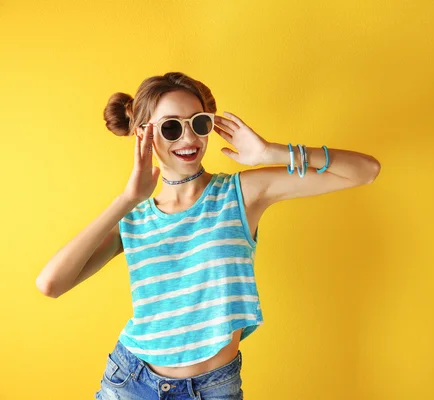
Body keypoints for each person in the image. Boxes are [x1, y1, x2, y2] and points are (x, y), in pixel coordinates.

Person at [36, 71, 381, 399]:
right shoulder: (133, 217)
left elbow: (366, 171)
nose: (189, 139)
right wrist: (127, 199)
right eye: (171, 127)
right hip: (131, 382)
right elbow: (50, 284)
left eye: (199, 124)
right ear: (144, 133)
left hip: (213, 388)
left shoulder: (241, 194)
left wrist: (269, 153)